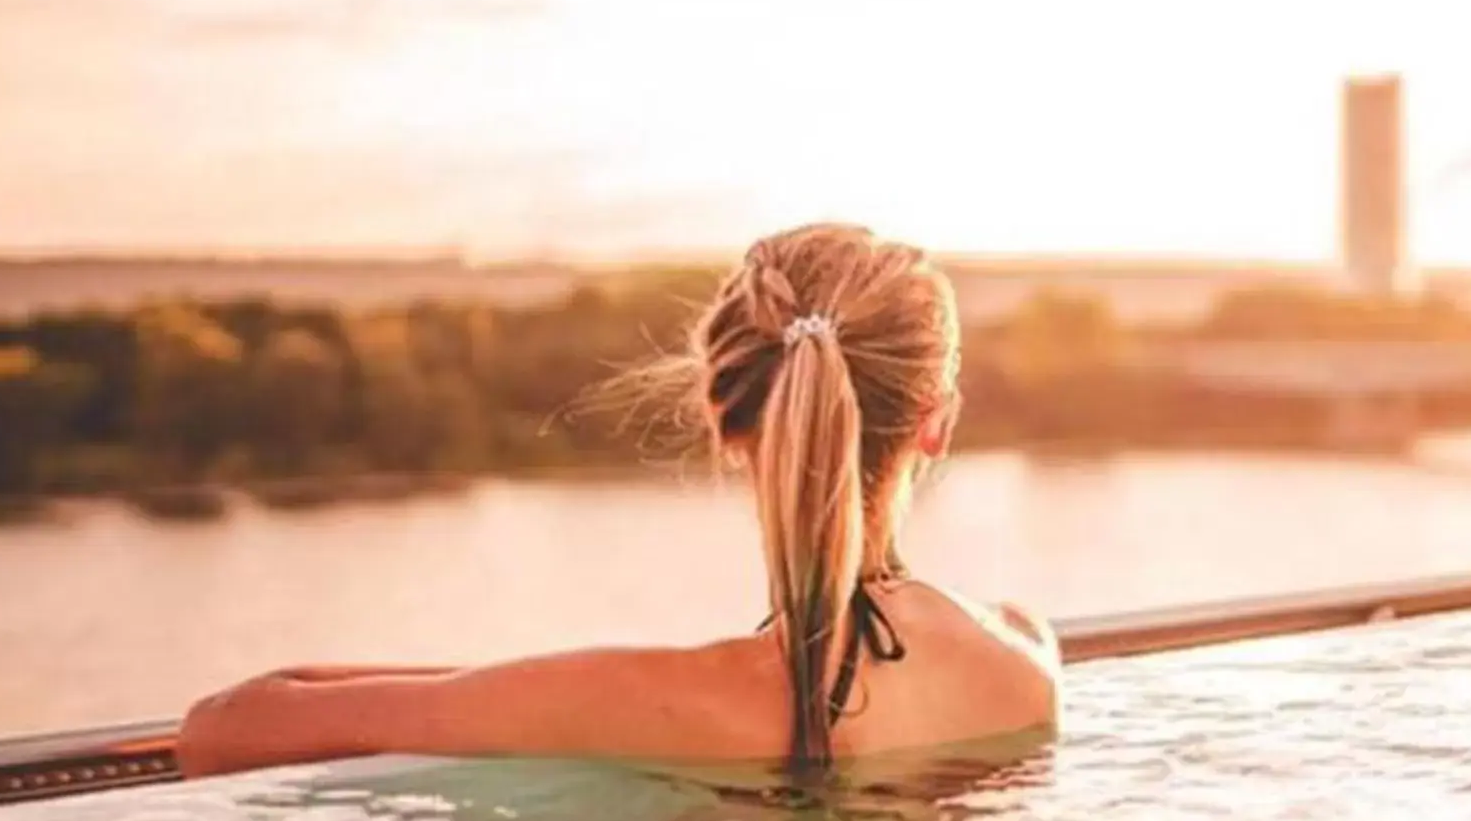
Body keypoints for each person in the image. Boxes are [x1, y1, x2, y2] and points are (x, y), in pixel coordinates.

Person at [176, 224, 1060, 778]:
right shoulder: (1027, 657)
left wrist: (484, 690)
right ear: (937, 423)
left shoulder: (660, 697)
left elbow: (225, 730)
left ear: (725, 417)